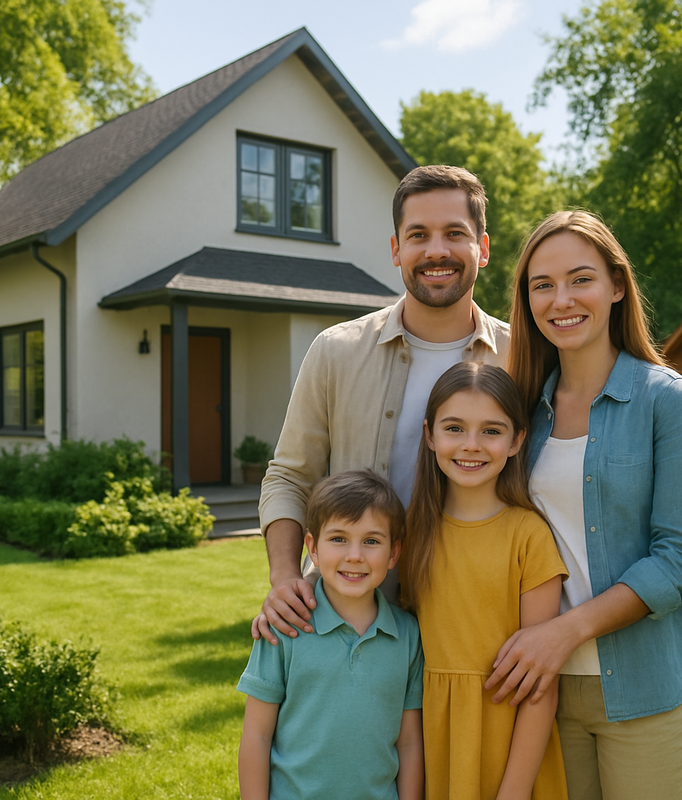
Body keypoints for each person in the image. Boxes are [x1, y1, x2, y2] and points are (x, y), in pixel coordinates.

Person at [487, 210, 682, 800]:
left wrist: (566, 631)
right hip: (547, 693)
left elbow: (680, 559)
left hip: (648, 686)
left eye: (580, 278)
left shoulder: (668, 402)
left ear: (617, 285)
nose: (561, 299)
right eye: (542, 285)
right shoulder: (520, 414)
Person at [254, 164, 509, 643]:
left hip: (477, 620)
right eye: (418, 235)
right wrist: (285, 575)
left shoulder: (522, 360)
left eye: (455, 233)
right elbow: (289, 477)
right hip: (346, 623)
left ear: (484, 248)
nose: (437, 250)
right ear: (396, 249)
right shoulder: (336, 351)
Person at [402, 361, 569, 800]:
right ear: (429, 435)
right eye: (454, 428)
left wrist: (512, 793)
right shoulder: (412, 533)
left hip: (511, 746)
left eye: (491, 431)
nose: (471, 445)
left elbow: (541, 685)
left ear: (517, 441)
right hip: (433, 741)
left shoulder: (528, 536)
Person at [237, 469, 424, 800]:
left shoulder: (408, 635)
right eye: (339, 538)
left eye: (371, 541)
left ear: (394, 553)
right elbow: (256, 735)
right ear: (313, 548)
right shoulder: (283, 627)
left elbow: (408, 741)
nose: (355, 555)